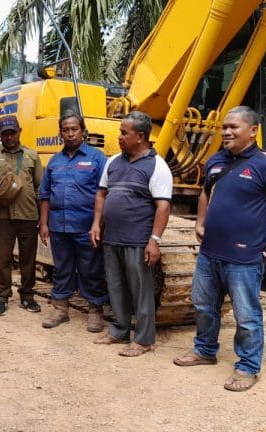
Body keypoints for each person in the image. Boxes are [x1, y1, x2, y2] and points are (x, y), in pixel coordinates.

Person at [173, 106, 266, 392]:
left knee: (246, 315)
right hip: (210, 253)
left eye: (234, 127)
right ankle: (205, 350)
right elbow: (207, 191)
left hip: (244, 258)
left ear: (253, 130)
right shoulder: (215, 161)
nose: (227, 132)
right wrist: (200, 221)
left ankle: (247, 366)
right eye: (224, 127)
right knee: (204, 306)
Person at [90, 111, 172, 357]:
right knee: (115, 287)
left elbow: (163, 206)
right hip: (112, 237)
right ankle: (119, 331)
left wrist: (154, 241)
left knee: (141, 290)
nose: (120, 137)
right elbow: (101, 194)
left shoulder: (157, 166)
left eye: (124, 133)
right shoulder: (113, 162)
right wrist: (96, 224)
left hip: (137, 240)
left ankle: (145, 339)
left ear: (141, 136)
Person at [38, 111, 108, 332]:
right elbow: (45, 194)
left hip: (87, 227)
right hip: (59, 227)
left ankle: (95, 311)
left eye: (74, 129)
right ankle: (61, 309)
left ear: (82, 131)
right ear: (60, 133)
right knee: (62, 268)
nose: (70, 134)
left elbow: (104, 193)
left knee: (91, 269)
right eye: (65, 130)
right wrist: (44, 223)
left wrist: (99, 224)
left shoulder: (97, 158)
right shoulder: (54, 161)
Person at [0, 115, 44, 316]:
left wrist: (44, 219)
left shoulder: (31, 155)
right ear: (0, 135)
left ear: (19, 131)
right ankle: (2, 297)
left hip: (28, 214)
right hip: (3, 215)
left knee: (28, 259)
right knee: (2, 259)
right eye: (5, 133)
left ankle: (27, 296)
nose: (9, 137)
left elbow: (40, 188)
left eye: (12, 132)